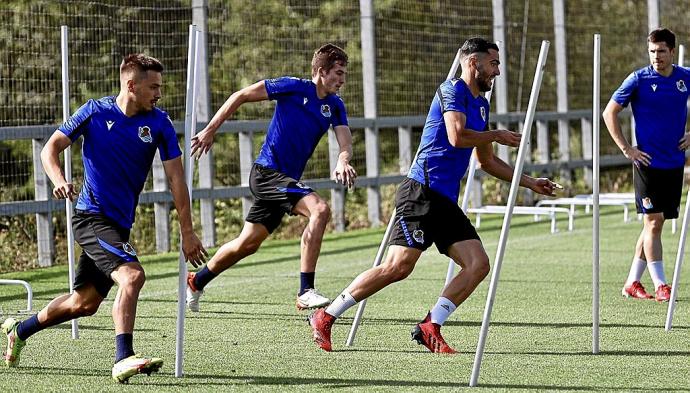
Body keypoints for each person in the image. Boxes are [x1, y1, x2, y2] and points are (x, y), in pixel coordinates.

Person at [308, 37, 560, 353]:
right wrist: (496, 134)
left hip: (445, 202)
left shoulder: (481, 103)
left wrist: (530, 182)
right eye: (493, 63)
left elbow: (486, 160)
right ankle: (326, 316)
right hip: (421, 193)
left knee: (478, 264)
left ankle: (431, 325)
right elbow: (456, 136)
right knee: (398, 267)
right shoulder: (451, 90)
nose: (496, 71)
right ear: (474, 63)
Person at [1, 54, 207, 383]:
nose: (159, 93)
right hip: (91, 217)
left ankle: (18, 329)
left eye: (160, 87)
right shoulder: (95, 112)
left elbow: (177, 180)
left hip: (118, 223)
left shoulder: (160, 123)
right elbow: (49, 149)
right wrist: (59, 181)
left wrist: (187, 231)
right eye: (153, 87)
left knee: (84, 304)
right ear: (131, 85)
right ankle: (123, 358)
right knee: (132, 277)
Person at [186, 43, 356, 312]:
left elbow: (345, 143)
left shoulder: (335, 105)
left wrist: (342, 160)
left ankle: (197, 280)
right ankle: (305, 290)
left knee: (247, 244)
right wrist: (210, 130)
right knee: (320, 210)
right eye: (338, 73)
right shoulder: (292, 87)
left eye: (345, 74)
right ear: (321, 72)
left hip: (284, 181)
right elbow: (240, 95)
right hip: (266, 173)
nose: (342, 79)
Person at [603, 28, 690, 302]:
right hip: (646, 163)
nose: (656, 57)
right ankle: (662, 284)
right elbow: (609, 112)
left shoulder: (685, 77)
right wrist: (627, 149)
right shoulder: (638, 79)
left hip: (674, 162)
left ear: (672, 52)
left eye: (661, 51)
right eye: (652, 51)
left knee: (655, 224)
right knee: (653, 222)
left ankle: (632, 281)